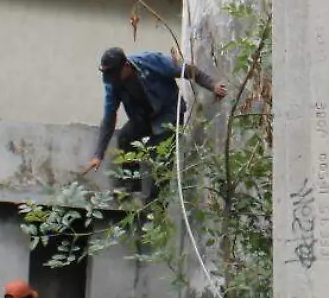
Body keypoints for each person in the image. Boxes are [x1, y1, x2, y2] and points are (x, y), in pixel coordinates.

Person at [82, 47, 228, 202]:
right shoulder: (112, 82)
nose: (112, 80)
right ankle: (131, 189)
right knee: (125, 137)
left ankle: (155, 206)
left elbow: (189, 70)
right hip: (142, 117)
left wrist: (212, 85)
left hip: (168, 114)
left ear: (126, 67)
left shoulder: (151, 62)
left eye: (114, 75)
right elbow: (109, 117)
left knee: (160, 160)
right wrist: (98, 155)